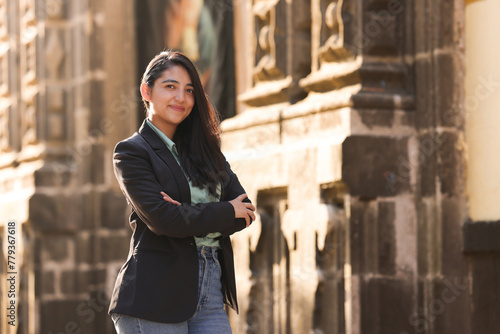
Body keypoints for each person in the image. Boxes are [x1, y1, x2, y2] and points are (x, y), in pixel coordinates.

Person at [108, 50, 255, 334]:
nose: (181, 98)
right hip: (153, 298)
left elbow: (246, 212)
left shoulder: (205, 152)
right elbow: (164, 220)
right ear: (146, 91)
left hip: (210, 295)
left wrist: (185, 212)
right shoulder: (131, 152)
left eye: (189, 90)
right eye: (170, 86)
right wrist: (223, 211)